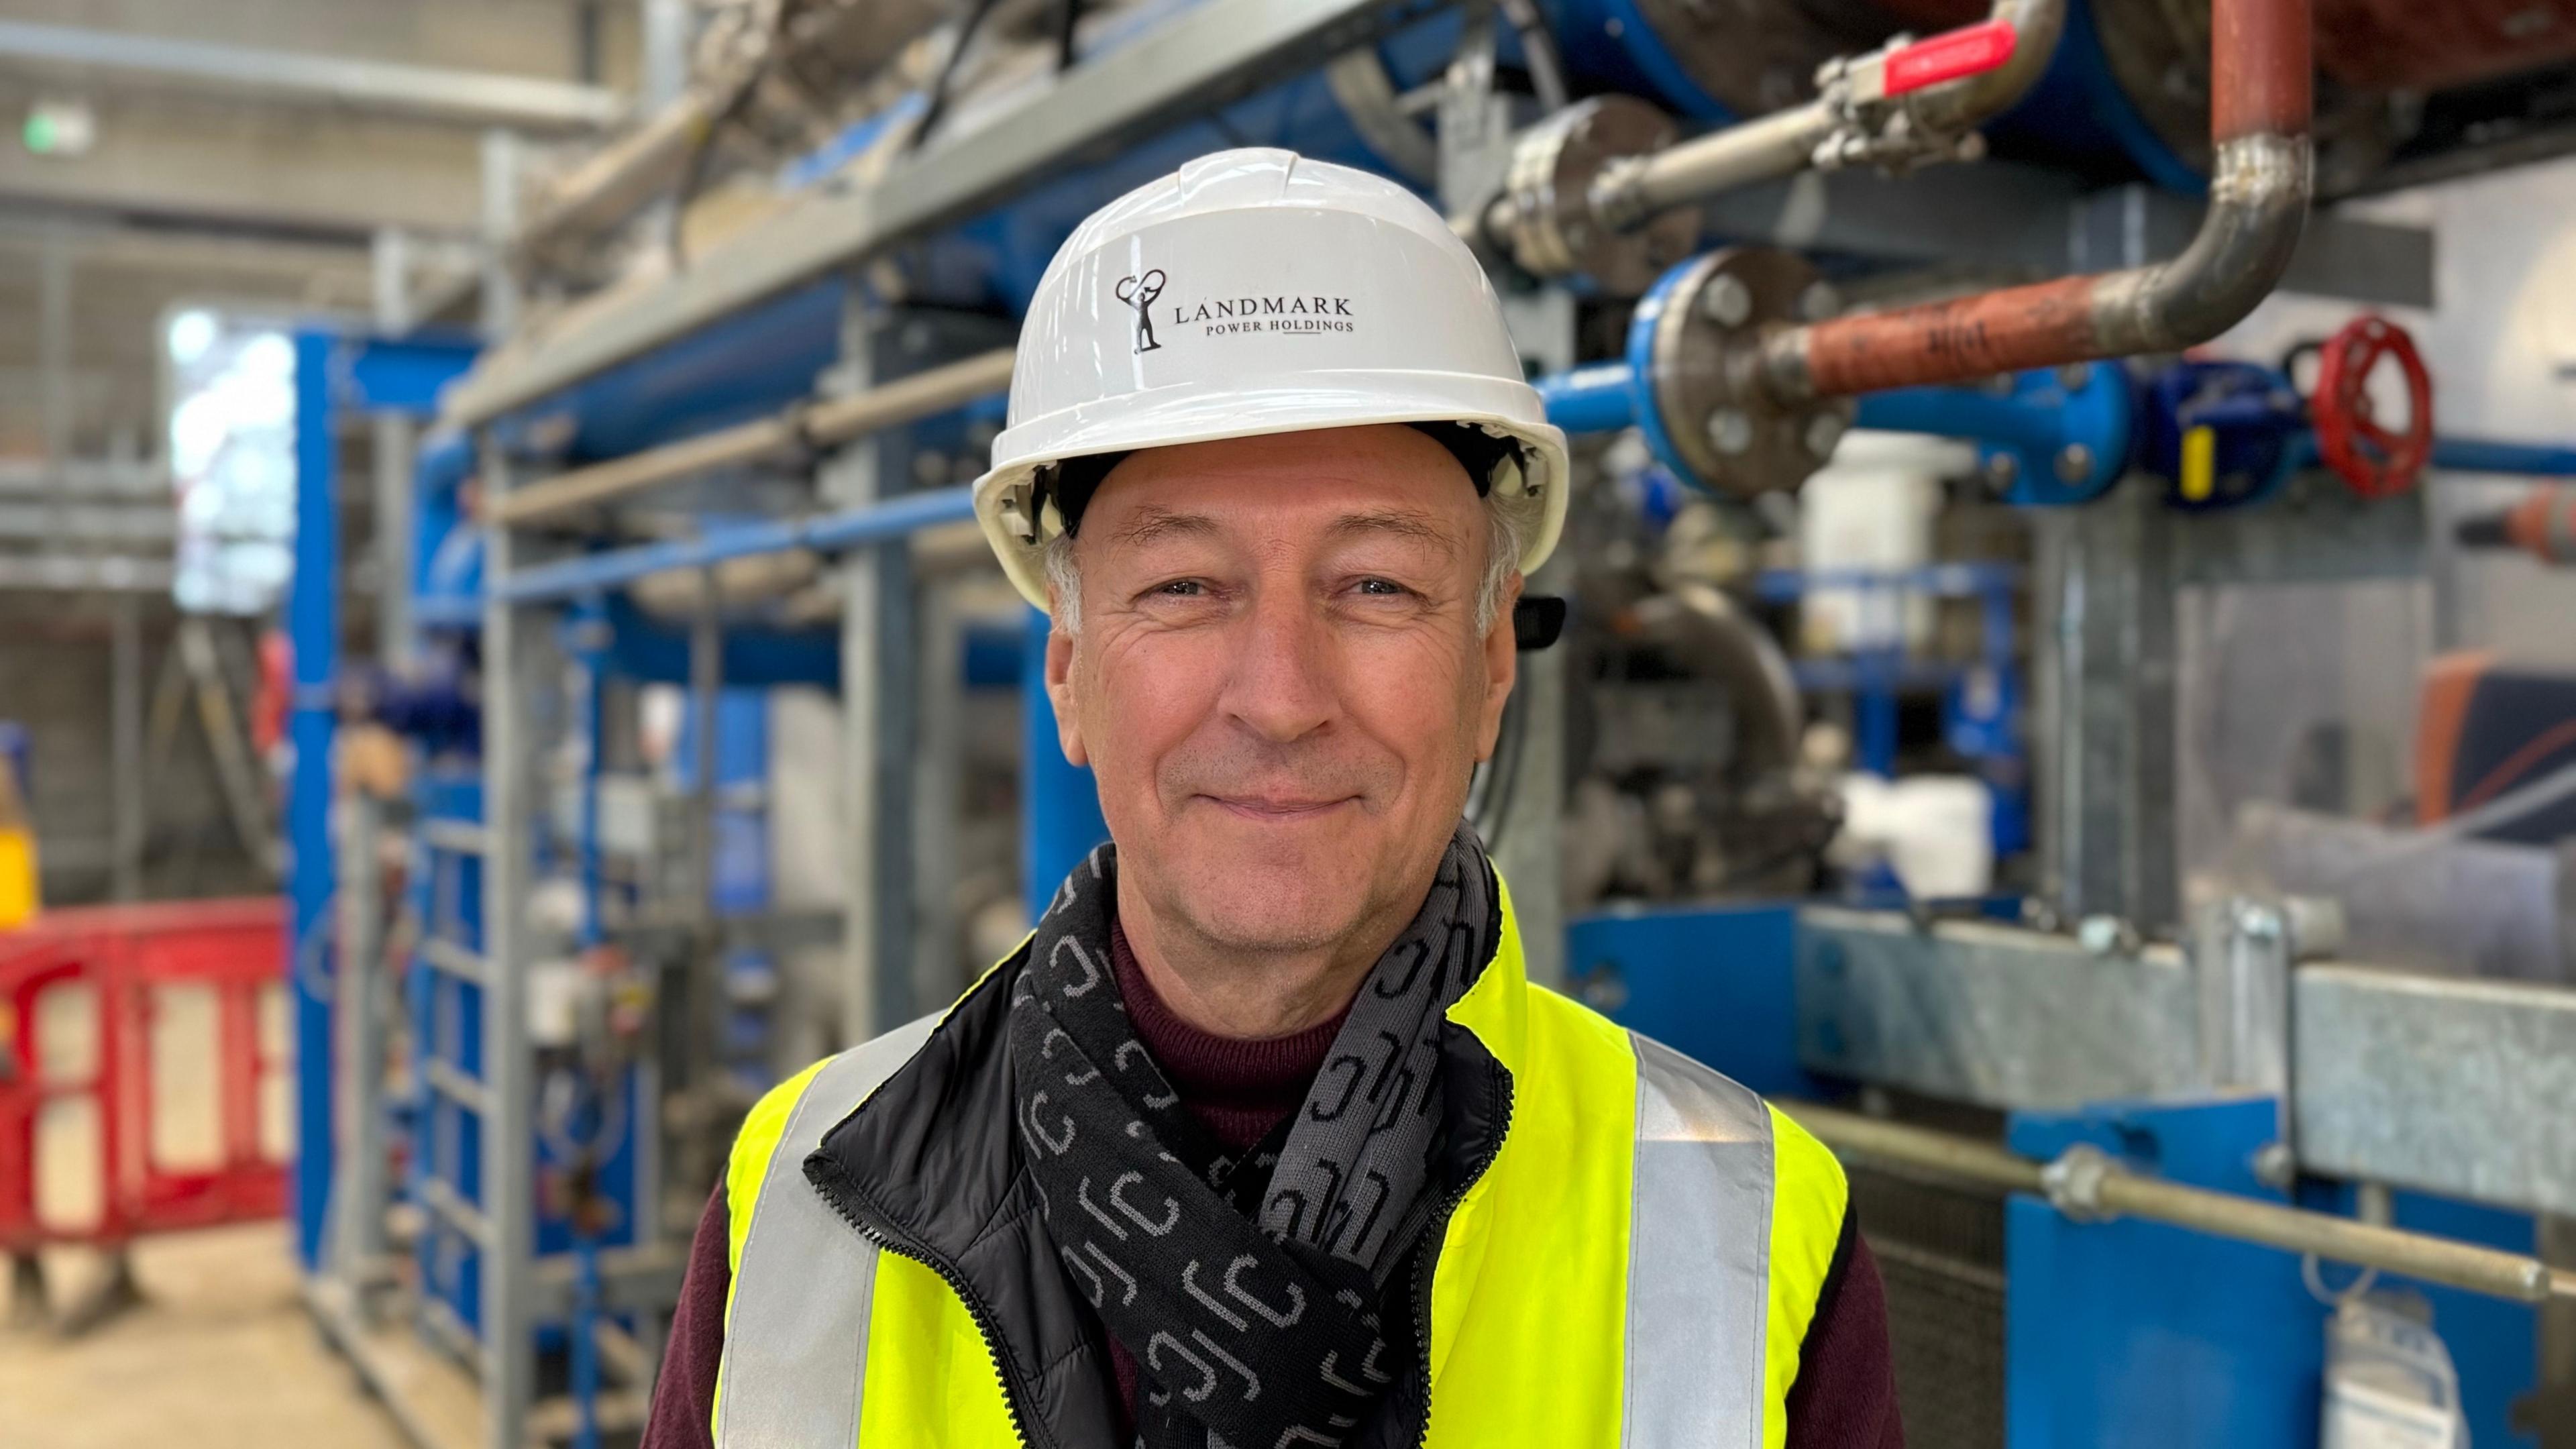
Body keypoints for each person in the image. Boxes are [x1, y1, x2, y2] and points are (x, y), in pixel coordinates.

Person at [645, 148, 1900, 1449]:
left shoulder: (1747, 1234)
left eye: (1377, 587)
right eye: (1185, 587)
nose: (1282, 696)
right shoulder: (797, 1204)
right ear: (1070, 678)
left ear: (1486, 672)